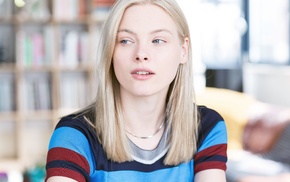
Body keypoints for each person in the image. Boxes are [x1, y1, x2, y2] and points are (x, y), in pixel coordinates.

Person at [45, 0, 228, 181]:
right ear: (110, 52)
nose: (141, 54)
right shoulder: (74, 134)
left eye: (158, 40)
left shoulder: (207, 127)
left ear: (183, 50)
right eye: (126, 41)